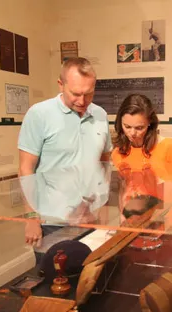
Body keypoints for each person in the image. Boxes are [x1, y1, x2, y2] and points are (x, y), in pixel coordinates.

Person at [17, 57, 112, 246]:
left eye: (89, 93)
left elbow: (104, 163)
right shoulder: (39, 114)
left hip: (90, 218)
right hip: (53, 220)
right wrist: (31, 218)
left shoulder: (100, 115)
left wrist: (103, 207)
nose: (82, 101)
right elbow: (25, 169)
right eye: (75, 93)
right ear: (61, 84)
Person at [110, 94, 172, 230]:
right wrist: (122, 218)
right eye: (127, 126)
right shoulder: (118, 152)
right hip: (132, 221)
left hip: (166, 221)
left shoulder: (168, 146)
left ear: (150, 123)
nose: (132, 133)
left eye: (139, 128)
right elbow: (122, 191)